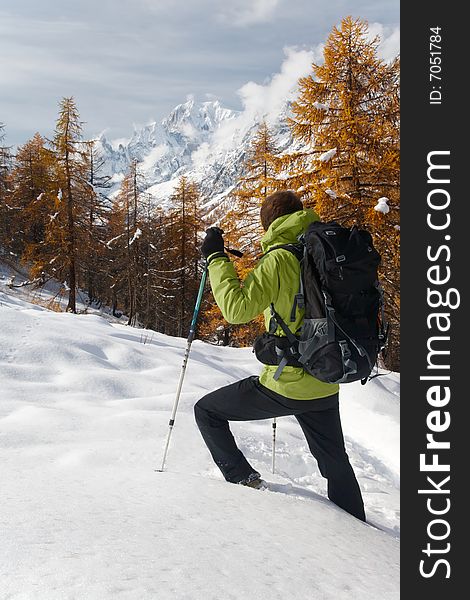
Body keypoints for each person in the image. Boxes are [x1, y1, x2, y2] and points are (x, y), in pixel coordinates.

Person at [194, 190, 365, 522]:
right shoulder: (324, 252)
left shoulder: (279, 259)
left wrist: (216, 258)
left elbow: (236, 308)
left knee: (207, 412)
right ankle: (360, 530)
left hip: (287, 384)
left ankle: (243, 478)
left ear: (268, 224)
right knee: (335, 463)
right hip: (327, 380)